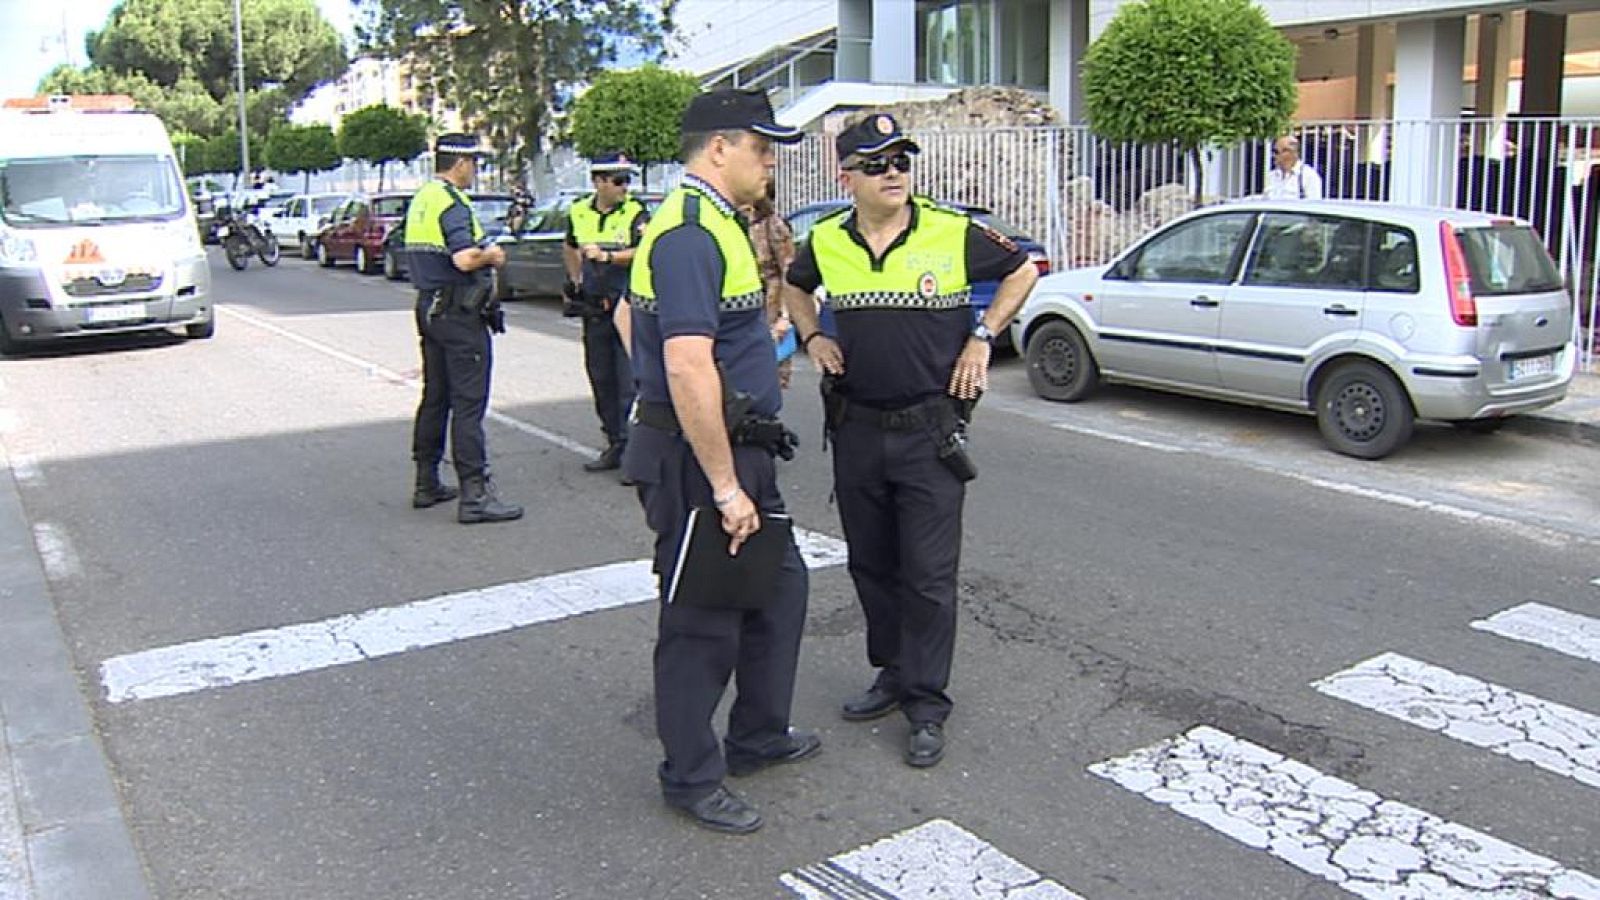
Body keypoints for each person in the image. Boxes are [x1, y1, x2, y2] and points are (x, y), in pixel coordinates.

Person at [781, 113, 1038, 769]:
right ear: (847, 177)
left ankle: (926, 703)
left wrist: (984, 336)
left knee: (927, 577)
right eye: (876, 163)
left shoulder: (950, 230)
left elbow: (1023, 270)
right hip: (857, 427)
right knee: (871, 565)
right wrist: (814, 336)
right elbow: (793, 286)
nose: (893, 172)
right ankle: (891, 673)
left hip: (930, 430)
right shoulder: (829, 240)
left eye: (901, 160)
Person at [621, 88, 817, 835]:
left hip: (736, 444)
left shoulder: (717, 224)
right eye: (763, 148)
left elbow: (630, 318)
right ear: (719, 149)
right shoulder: (691, 232)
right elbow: (685, 364)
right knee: (703, 621)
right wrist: (726, 484)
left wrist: (756, 362)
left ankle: (759, 735)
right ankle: (692, 777)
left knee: (781, 591)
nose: (771, 161)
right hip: (706, 459)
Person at [403, 132, 523, 524]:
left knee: (435, 397)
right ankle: (475, 495)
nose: (476, 171)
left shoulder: (423, 197)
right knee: (468, 404)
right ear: (461, 163)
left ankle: (426, 481)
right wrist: (492, 255)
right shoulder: (452, 202)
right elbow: (464, 258)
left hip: (430, 308)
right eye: (475, 163)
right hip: (458, 314)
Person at [564, 152, 649, 476]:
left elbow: (646, 250)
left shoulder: (635, 213)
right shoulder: (579, 211)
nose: (624, 187)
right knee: (601, 379)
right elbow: (570, 245)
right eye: (618, 181)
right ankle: (614, 442)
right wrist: (576, 279)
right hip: (594, 309)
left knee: (628, 382)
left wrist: (609, 257)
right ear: (598, 182)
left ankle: (633, 451)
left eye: (627, 180)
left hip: (626, 308)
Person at [744, 181, 797, 388]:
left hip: (771, 305)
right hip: (749, 303)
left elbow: (788, 272)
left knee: (769, 376)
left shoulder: (773, 226)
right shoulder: (739, 224)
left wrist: (785, 316)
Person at [1264, 135, 1324, 200]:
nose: (1273, 155)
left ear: (1290, 152)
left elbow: (1313, 206)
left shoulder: (1308, 176)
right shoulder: (1271, 176)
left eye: (1276, 152)